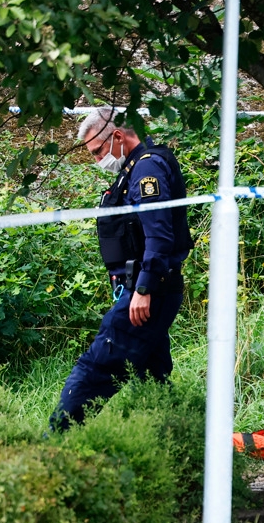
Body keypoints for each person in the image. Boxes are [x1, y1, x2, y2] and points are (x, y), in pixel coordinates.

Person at [49, 107, 193, 431]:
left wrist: (143, 288)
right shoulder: (134, 168)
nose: (97, 160)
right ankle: (178, 438)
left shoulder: (147, 169)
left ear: (117, 136)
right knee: (152, 377)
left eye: (97, 151)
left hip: (149, 290)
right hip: (148, 287)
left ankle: (54, 439)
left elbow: (159, 235)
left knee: (97, 367)